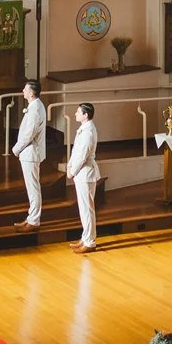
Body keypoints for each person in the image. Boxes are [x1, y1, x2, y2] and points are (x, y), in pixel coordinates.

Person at [12, 79, 47, 228]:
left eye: (25, 89)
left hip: (31, 153)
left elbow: (29, 134)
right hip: (29, 153)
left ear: (31, 93)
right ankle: (31, 217)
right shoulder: (35, 106)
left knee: (33, 188)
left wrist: (16, 148)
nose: (23, 91)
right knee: (32, 187)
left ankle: (34, 220)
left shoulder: (35, 109)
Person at [67, 101, 101, 249]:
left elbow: (82, 155)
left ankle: (90, 241)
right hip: (82, 173)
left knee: (87, 209)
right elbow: (76, 152)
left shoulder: (88, 132)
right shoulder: (85, 128)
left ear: (85, 115)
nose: (75, 113)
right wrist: (70, 165)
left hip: (85, 173)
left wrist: (72, 170)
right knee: (84, 208)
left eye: (78, 112)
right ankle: (85, 237)